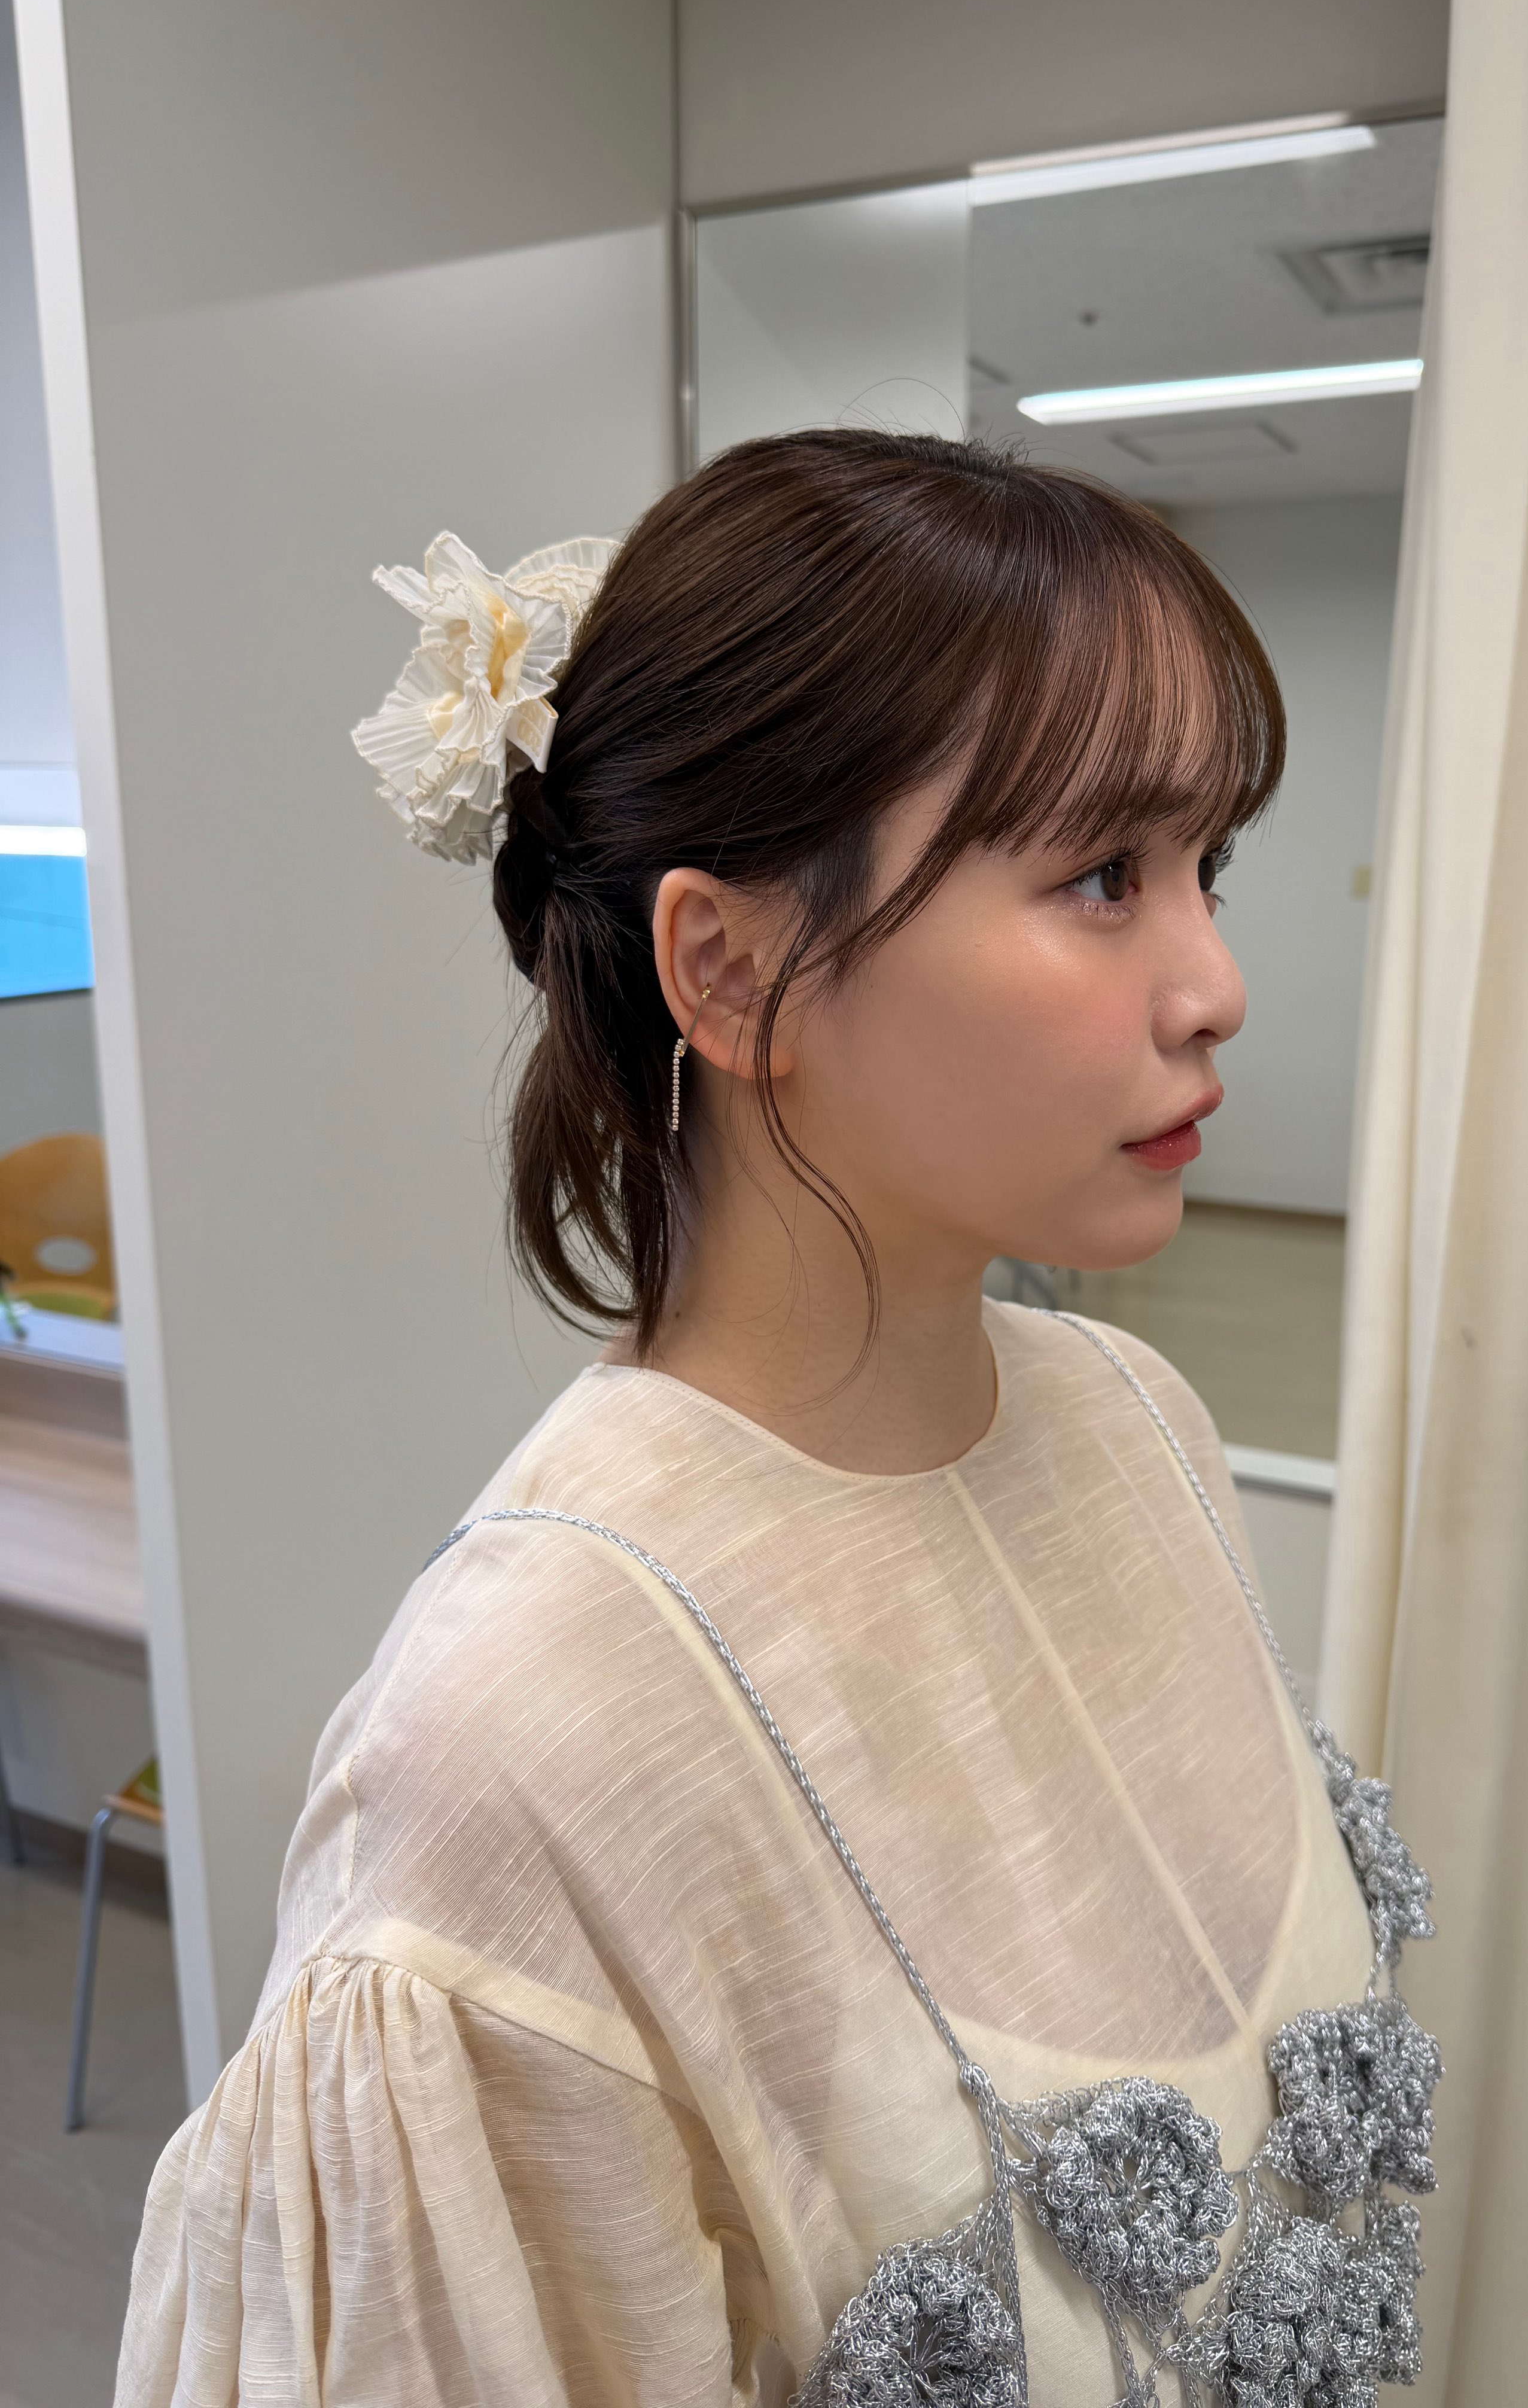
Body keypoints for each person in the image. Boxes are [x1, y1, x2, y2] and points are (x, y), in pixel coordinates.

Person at [117, 432, 1438, 2408]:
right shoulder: (516, 1752)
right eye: (1103, 876)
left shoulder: (1138, 1427)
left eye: (1206, 869)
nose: (1216, 984)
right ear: (733, 972)